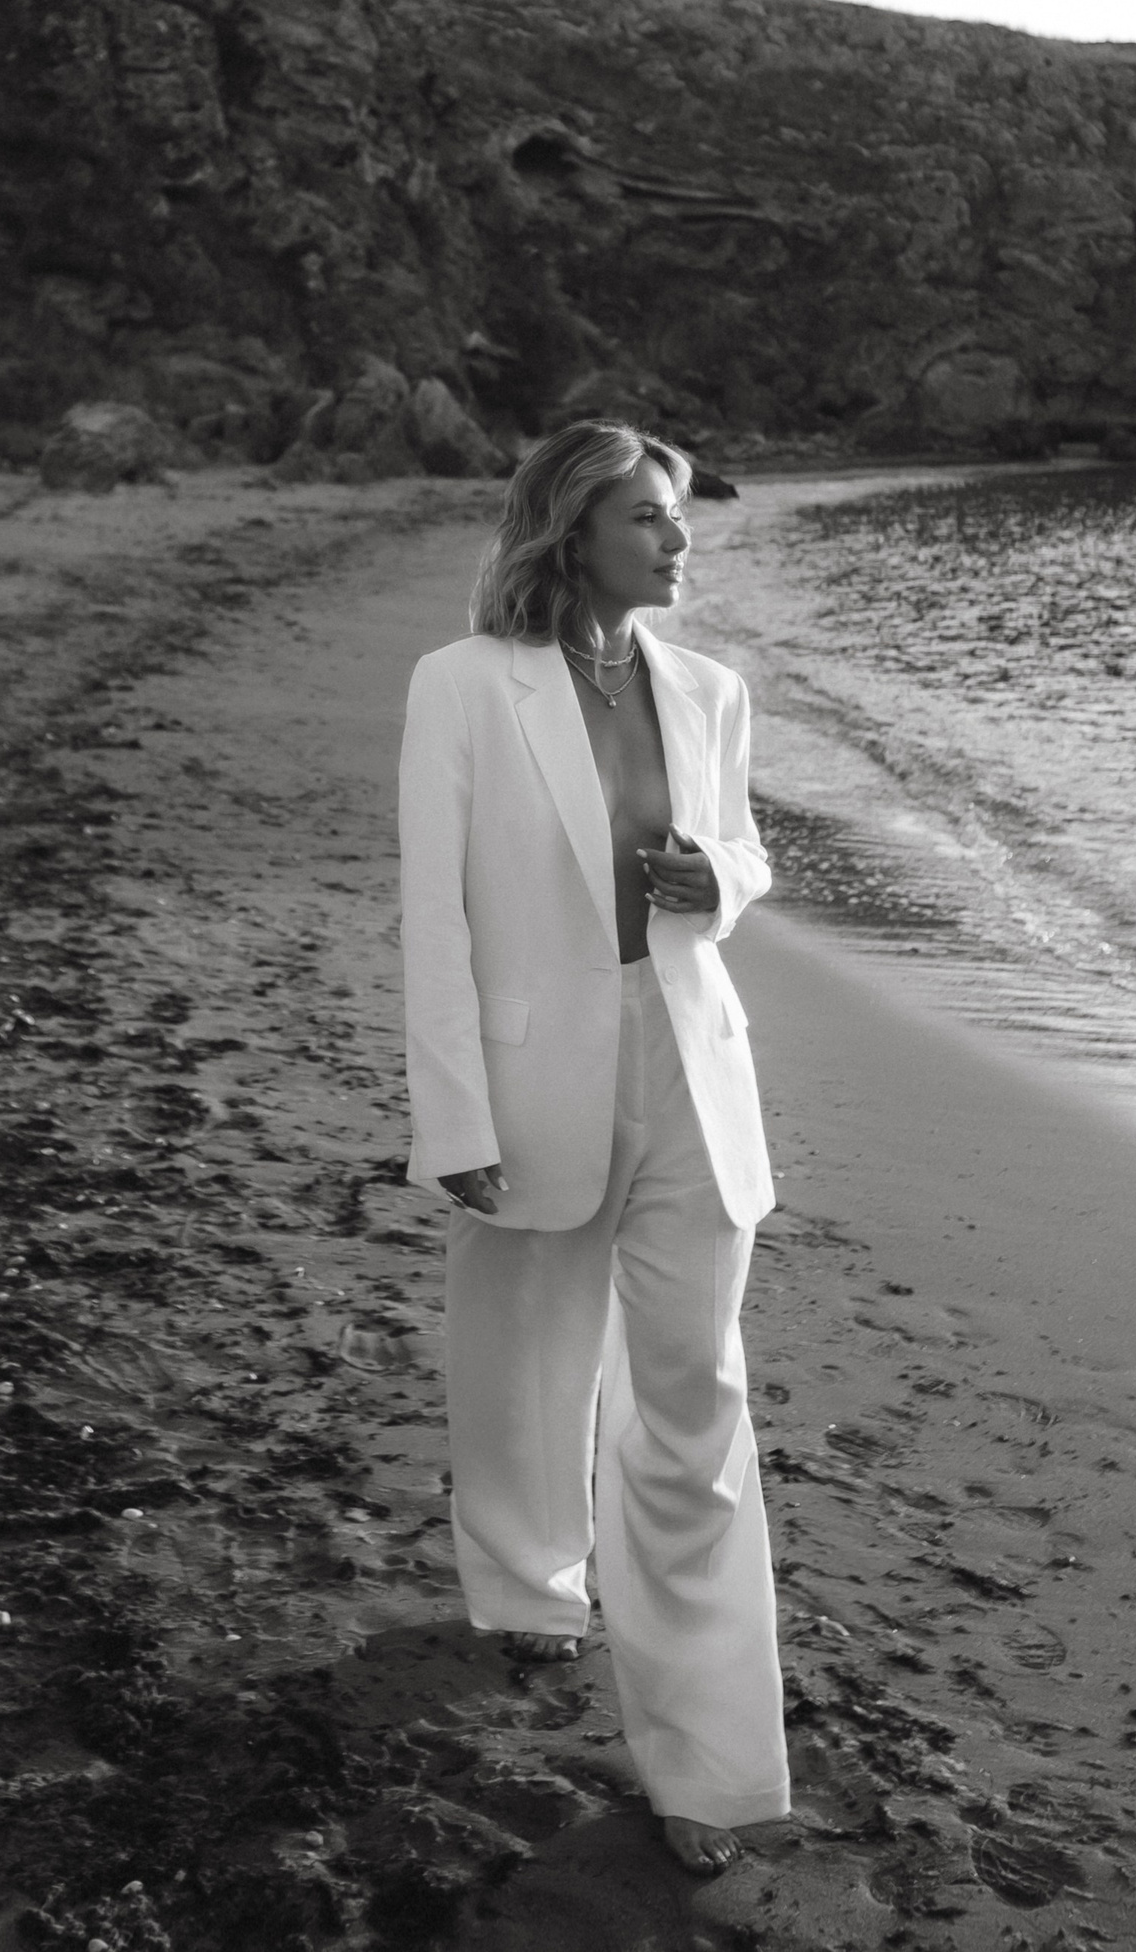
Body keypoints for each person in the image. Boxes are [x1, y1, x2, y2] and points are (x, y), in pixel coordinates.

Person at [397, 418, 789, 1874]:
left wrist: (715, 881)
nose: (679, 541)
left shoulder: (711, 690)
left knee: (695, 1397)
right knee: (525, 1356)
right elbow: (434, 913)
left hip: (690, 1062)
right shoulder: (462, 686)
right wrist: (452, 1114)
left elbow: (745, 851)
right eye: (648, 518)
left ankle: (707, 1765)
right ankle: (527, 1583)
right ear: (571, 531)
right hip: (530, 1069)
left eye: (679, 515)